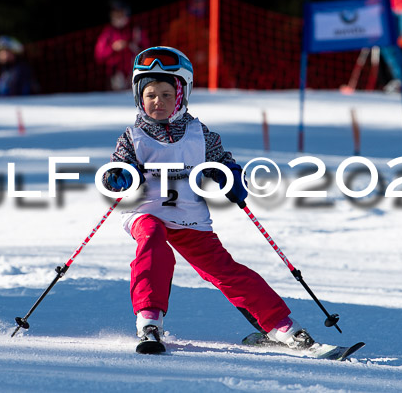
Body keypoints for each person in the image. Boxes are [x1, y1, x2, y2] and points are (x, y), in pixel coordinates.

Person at [101, 46, 313, 353]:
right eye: (150, 95)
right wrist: (119, 176)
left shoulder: (200, 134)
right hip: (145, 211)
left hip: (189, 214)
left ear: (181, 94)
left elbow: (223, 162)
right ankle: (149, 319)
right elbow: (115, 170)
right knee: (153, 241)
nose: (157, 102)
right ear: (139, 96)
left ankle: (281, 326)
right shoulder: (132, 138)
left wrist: (231, 179)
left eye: (165, 94)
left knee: (224, 269)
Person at [94, 0, 150, 91]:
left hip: (135, 73)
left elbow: (147, 51)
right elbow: (99, 55)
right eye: (115, 15)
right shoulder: (108, 33)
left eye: (120, 14)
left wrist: (135, 47)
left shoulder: (135, 31)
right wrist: (113, 48)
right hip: (115, 75)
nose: (118, 18)